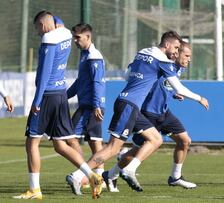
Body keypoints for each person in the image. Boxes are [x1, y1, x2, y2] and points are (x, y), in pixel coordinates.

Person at [66, 31, 208, 195]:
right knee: (112, 148)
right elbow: (179, 88)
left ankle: (128, 170)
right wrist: (199, 98)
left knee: (155, 139)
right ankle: (77, 176)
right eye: (176, 47)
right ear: (167, 45)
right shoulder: (162, 60)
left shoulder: (143, 53)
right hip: (129, 105)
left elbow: (127, 75)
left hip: (129, 104)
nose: (176, 51)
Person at [13, 11, 103, 200]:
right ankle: (92, 175)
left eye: (37, 27)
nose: (38, 32)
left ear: (44, 25)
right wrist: (53, 19)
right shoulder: (65, 34)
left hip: (46, 96)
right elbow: (57, 21)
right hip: (61, 95)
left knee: (32, 142)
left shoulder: (48, 38)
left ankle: (34, 189)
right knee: (61, 145)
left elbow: (44, 74)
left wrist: (36, 102)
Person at [103, 41, 199, 192]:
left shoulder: (177, 69)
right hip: (148, 113)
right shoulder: (162, 63)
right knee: (137, 149)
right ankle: (111, 174)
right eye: (186, 55)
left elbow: (166, 87)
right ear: (177, 53)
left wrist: (175, 94)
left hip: (164, 113)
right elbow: (142, 79)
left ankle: (175, 177)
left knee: (184, 141)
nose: (189, 59)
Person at [64, 23, 106, 195]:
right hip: (88, 105)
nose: (75, 40)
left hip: (91, 106)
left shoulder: (93, 56)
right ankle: (99, 178)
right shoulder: (84, 55)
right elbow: (80, 82)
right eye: (74, 37)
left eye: (78, 37)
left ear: (88, 37)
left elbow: (97, 82)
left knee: (68, 137)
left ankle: (85, 174)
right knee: (95, 143)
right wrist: (63, 97)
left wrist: (97, 104)